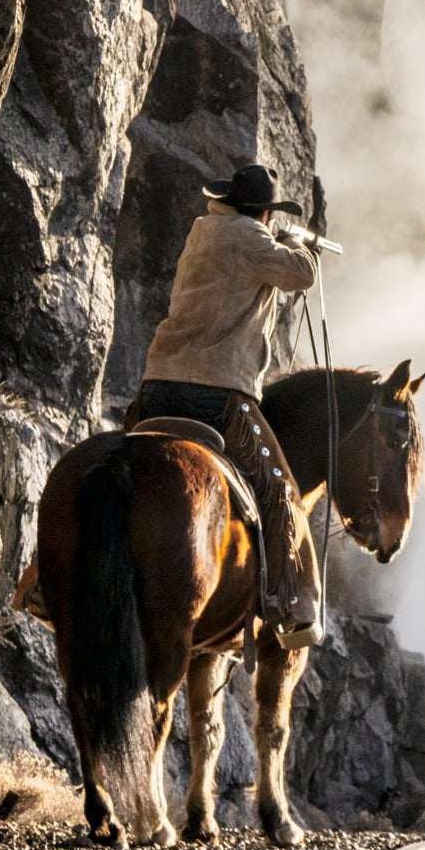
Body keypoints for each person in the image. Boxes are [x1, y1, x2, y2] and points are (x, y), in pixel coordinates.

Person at [128, 163, 323, 648]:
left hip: (157, 383)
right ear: (261, 211)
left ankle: (44, 577)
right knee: (281, 493)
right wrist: (304, 244)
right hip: (216, 393)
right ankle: (288, 605)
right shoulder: (249, 238)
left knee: (116, 459)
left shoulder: (203, 231)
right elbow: (301, 274)